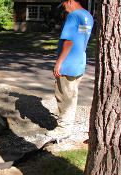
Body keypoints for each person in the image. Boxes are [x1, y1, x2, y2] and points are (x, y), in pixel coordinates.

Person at [47, 0, 94, 139]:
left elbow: (69, 41)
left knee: (64, 97)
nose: (65, 9)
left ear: (71, 1)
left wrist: (59, 63)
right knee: (72, 96)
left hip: (67, 64)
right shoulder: (88, 16)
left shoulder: (73, 16)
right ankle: (67, 124)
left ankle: (63, 129)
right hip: (79, 62)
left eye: (65, 5)